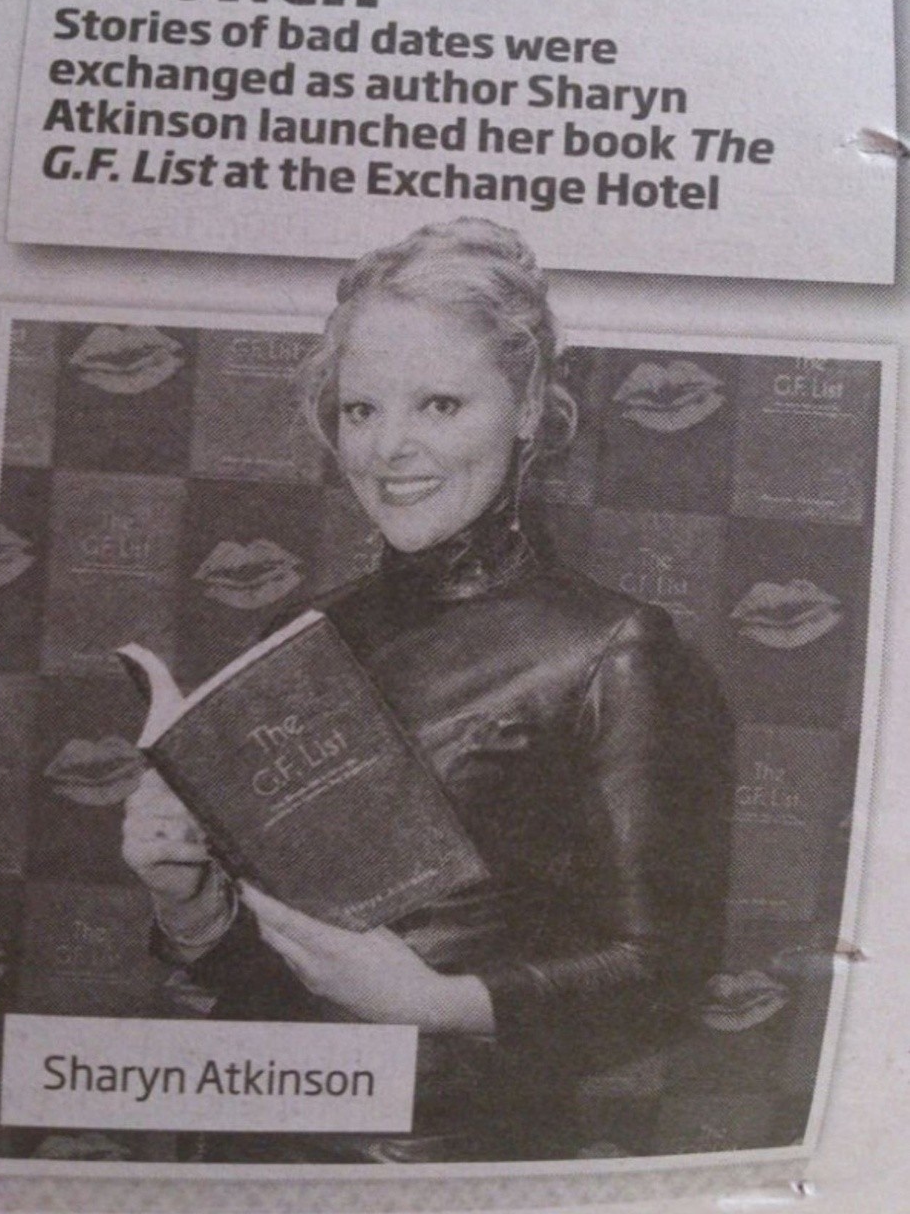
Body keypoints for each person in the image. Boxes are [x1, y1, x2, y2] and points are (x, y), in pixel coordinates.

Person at [123, 218, 732, 1162]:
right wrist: (190, 902)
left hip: (452, 1165)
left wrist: (435, 1003)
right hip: (255, 1153)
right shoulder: (296, 634)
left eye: (440, 405)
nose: (389, 449)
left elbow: (665, 979)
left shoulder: (616, 650)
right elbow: (263, 977)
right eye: (362, 411)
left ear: (527, 408)